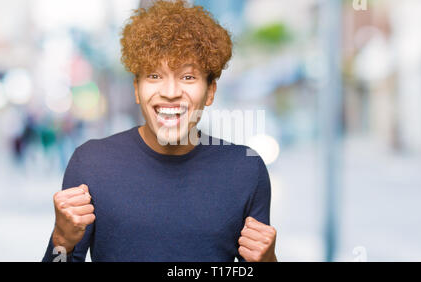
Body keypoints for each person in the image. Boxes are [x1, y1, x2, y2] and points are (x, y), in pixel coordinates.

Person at [42, 0, 277, 262]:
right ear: (136, 89)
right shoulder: (91, 163)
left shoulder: (245, 170)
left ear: (210, 91)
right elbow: (60, 258)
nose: (170, 92)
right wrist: (61, 242)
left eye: (188, 77)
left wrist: (268, 262)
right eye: (154, 76)